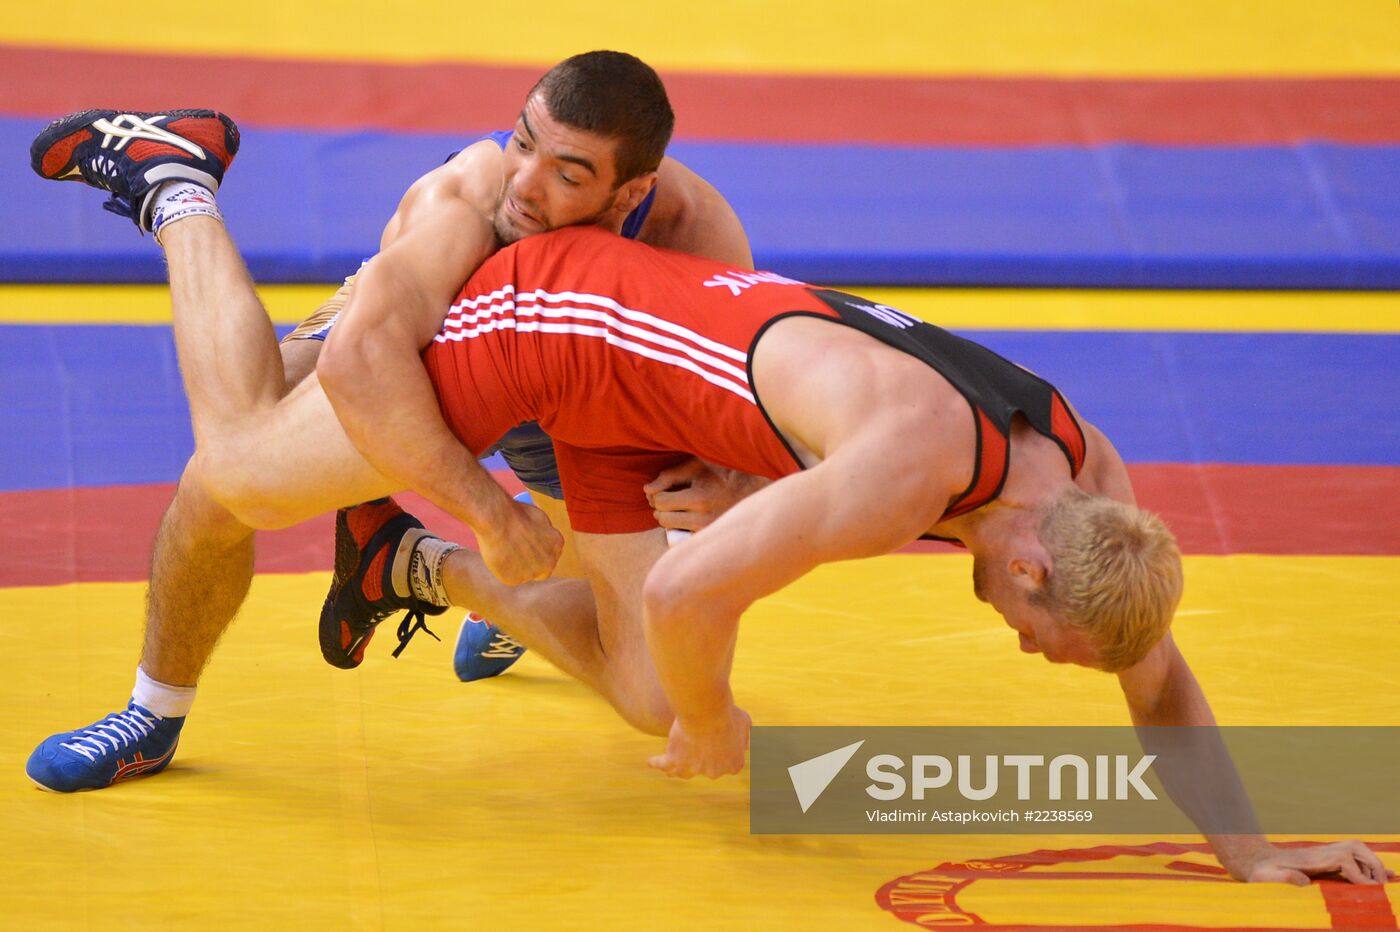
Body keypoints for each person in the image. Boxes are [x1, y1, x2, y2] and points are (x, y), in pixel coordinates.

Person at [25, 113, 1391, 887]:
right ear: (1033, 570)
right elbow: (690, 588)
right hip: (544, 324)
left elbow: (1152, 676)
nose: (1040, 659)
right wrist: (714, 717)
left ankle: (405, 566)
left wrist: (1253, 851)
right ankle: (175, 182)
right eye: (1048, 644)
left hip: (641, 390)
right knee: (236, 455)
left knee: (643, 688)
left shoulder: (1096, 493)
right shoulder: (906, 473)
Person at [23, 50, 753, 791]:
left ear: (633, 191)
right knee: (229, 475)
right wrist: (491, 515)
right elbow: (363, 359)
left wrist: (731, 482)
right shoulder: (468, 203)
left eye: (567, 174)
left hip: (574, 390)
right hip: (422, 333)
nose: (526, 185)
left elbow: (742, 398)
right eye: (523, 141)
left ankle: (409, 565)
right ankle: (174, 187)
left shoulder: (695, 234)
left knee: (656, 670)